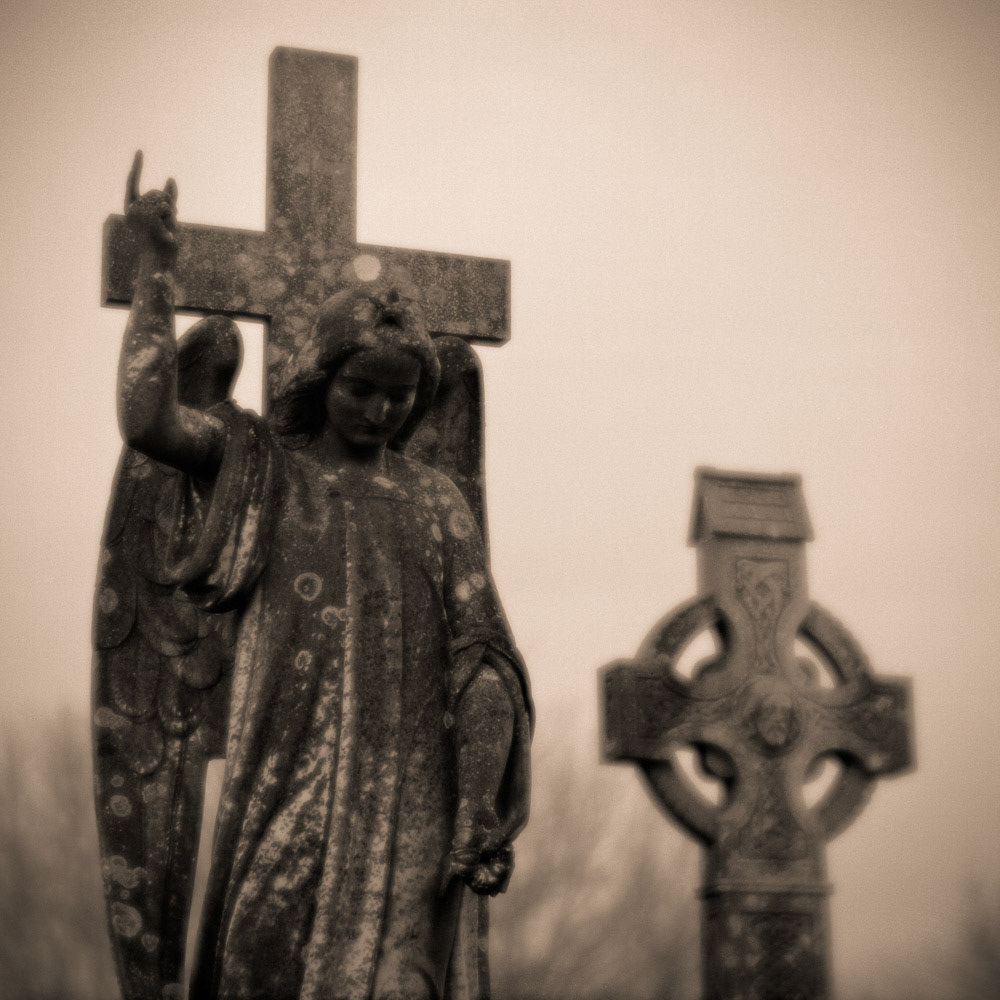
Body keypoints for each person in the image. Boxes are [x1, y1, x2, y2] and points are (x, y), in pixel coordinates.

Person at [117, 153, 531, 1000]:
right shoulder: (266, 468)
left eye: (401, 396)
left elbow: (482, 656)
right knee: (260, 956)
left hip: (409, 783)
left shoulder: (434, 500)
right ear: (324, 377)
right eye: (361, 388)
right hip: (287, 769)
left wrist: (479, 801)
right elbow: (149, 419)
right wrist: (156, 275)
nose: (381, 411)